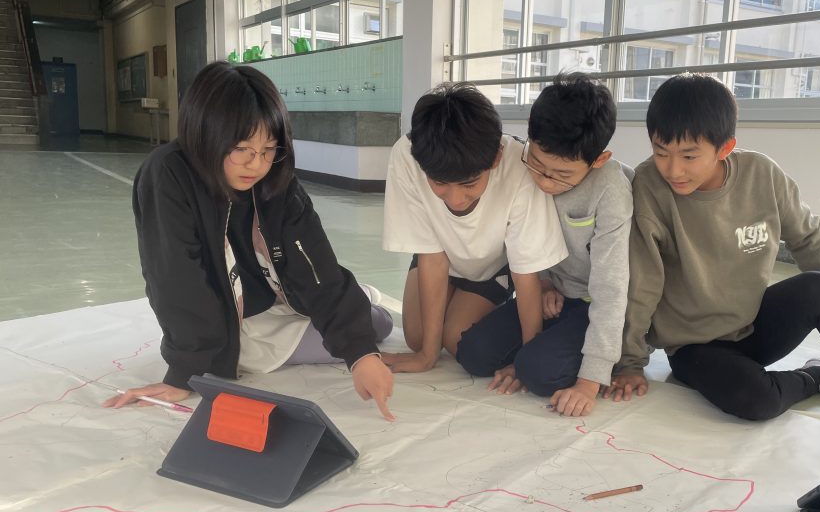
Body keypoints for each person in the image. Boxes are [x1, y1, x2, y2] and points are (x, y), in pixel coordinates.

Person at [610, 73, 820, 420]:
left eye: (689, 156)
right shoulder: (649, 187)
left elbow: (808, 238)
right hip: (694, 346)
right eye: (661, 152)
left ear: (724, 148)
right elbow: (642, 282)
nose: (673, 169)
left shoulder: (761, 173)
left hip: (754, 324)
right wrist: (630, 362)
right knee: (756, 401)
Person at [103, 61, 396, 420]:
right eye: (242, 148)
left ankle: (357, 304)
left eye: (269, 149)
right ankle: (359, 302)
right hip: (234, 321)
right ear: (205, 135)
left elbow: (314, 259)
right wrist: (185, 372)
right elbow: (176, 279)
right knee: (376, 324)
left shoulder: (276, 178)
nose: (256, 165)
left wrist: (361, 354)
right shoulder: (168, 174)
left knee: (370, 329)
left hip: (278, 296)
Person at [456, 74, 632, 417]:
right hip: (551, 295)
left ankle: (607, 354)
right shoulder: (522, 164)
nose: (545, 182)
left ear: (599, 159)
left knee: (539, 373)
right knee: (473, 354)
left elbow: (611, 289)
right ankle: (538, 354)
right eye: (536, 164)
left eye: (562, 175)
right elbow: (525, 240)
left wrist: (589, 382)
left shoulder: (611, 189)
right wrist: (545, 283)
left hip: (595, 305)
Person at [381, 82, 567, 374]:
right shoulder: (407, 154)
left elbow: (525, 270)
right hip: (439, 255)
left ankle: (491, 304)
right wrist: (427, 355)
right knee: (418, 339)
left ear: (496, 158)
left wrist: (528, 357)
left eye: (469, 184)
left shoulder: (519, 167)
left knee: (457, 339)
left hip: (492, 267)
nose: (455, 199)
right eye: (439, 183)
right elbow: (432, 255)